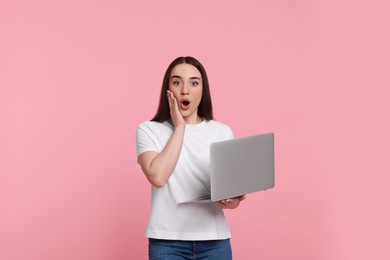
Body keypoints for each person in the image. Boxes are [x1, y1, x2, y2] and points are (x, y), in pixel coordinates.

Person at [136, 56, 245, 260]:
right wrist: (179, 128)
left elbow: (231, 194)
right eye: (177, 82)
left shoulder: (220, 132)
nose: (185, 90)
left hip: (215, 242)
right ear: (167, 90)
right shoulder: (149, 130)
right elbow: (157, 176)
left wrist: (232, 200)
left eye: (194, 83)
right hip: (167, 242)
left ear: (203, 90)